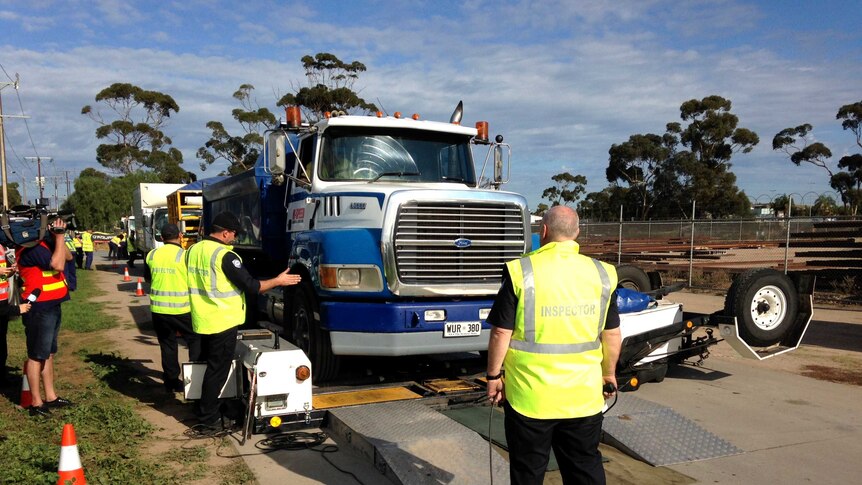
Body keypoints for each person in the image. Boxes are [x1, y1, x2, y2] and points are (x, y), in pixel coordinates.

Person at [485, 205, 622, 485]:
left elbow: (501, 332)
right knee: (584, 468)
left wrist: (493, 376)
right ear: (577, 234)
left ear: (543, 231)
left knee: (528, 471)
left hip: (530, 398)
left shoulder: (521, 271)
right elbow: (612, 334)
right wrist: (608, 374)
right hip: (582, 398)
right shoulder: (602, 273)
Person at [187, 211, 301, 430]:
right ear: (226, 233)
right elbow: (252, 286)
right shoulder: (225, 256)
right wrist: (278, 280)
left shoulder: (194, 250)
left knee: (204, 367)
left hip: (201, 320)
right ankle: (207, 420)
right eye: (234, 234)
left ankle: (201, 408)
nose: (235, 238)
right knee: (217, 372)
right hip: (222, 321)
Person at [17, 218, 75, 417]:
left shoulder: (45, 244)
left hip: (52, 305)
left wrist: (58, 237)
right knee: (36, 355)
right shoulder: (30, 248)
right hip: (39, 308)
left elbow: (67, 256)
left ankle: (50, 396)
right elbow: (58, 265)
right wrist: (57, 237)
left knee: (49, 353)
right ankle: (35, 402)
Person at [144, 223, 201, 393]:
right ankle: (195, 381)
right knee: (195, 341)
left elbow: (148, 279)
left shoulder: (152, 255)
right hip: (182, 309)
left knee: (167, 344)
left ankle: (171, 381)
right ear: (180, 237)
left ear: (162, 238)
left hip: (159, 311)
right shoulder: (185, 256)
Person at [0, 243, 16, 386]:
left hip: (3, 301)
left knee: (2, 340)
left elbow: (5, 274)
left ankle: (2, 375)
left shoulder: (2, 246)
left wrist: (11, 271)